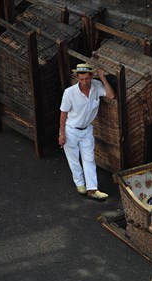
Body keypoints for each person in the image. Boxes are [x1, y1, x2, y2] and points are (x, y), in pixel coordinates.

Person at [58, 63, 115, 201]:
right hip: (70, 129)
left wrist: (103, 78)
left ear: (92, 76)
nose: (84, 82)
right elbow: (63, 114)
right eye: (81, 79)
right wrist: (62, 134)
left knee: (89, 159)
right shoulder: (69, 92)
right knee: (74, 159)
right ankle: (80, 184)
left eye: (87, 79)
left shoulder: (96, 85)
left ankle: (92, 189)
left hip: (87, 130)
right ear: (77, 78)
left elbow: (111, 95)